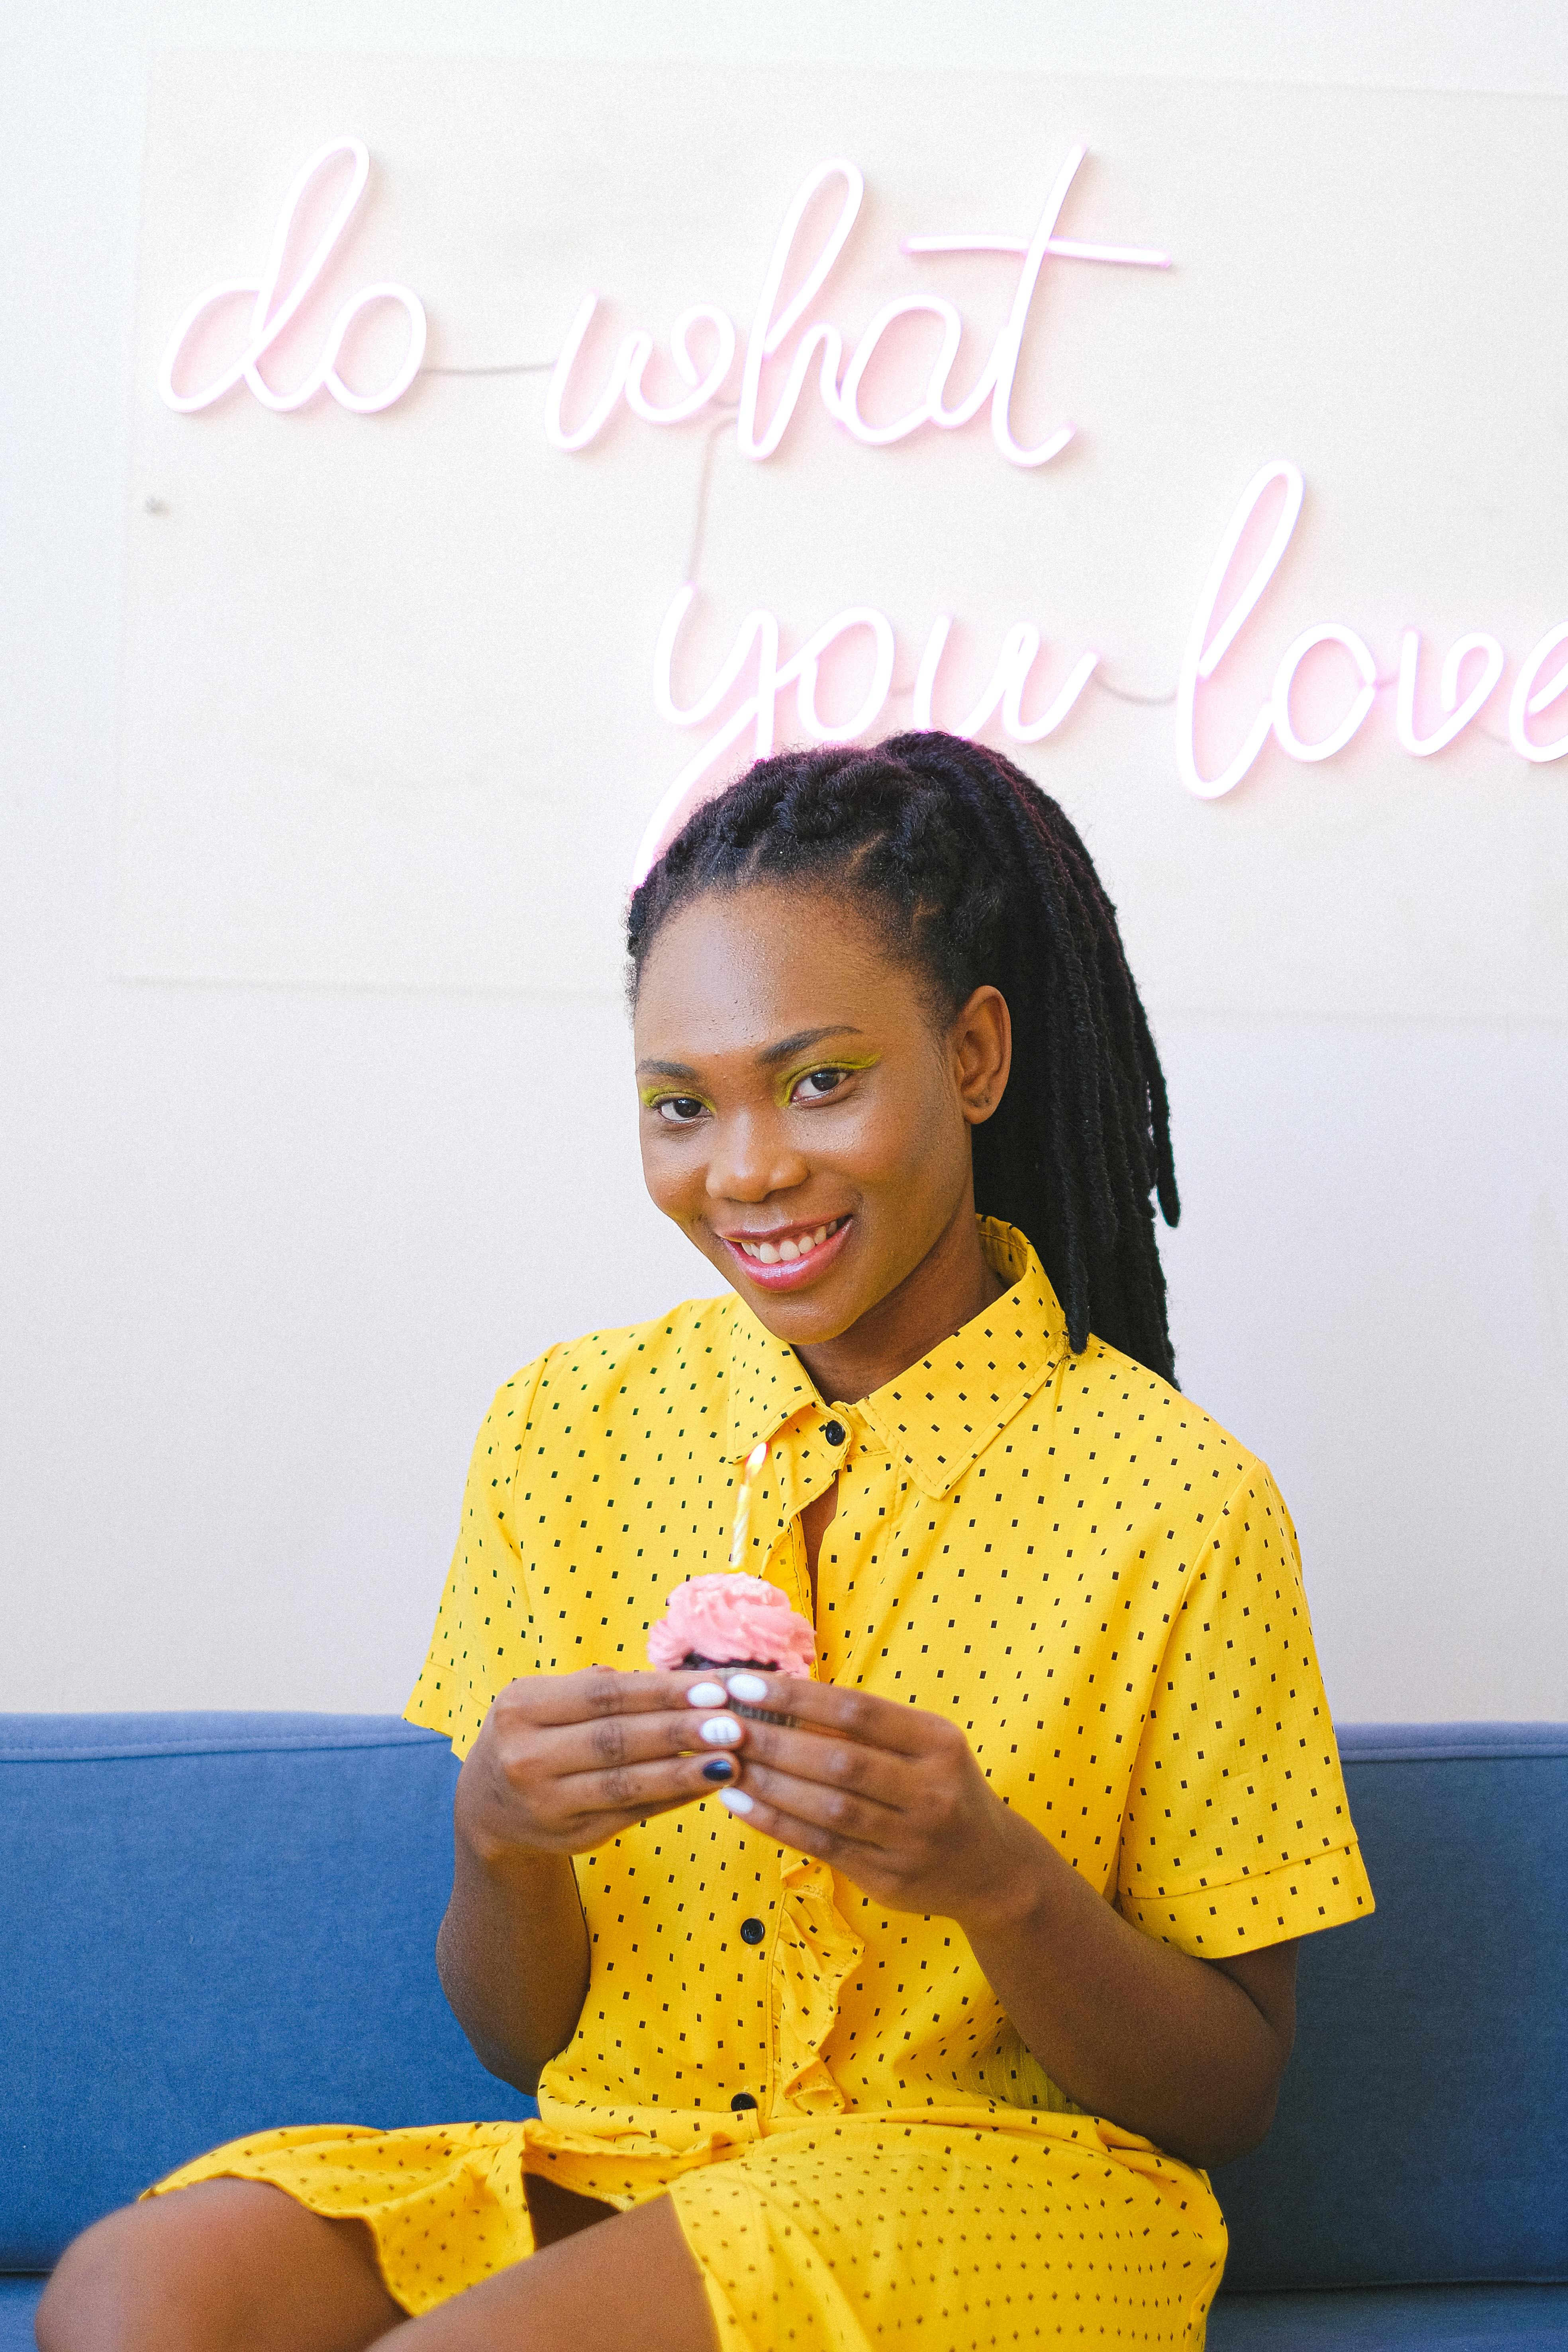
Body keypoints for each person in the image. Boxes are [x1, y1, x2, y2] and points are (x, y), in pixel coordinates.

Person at [40, 733, 1372, 2352]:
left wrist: (997, 1880)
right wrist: (501, 1838)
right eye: (683, 1106)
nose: (747, 1170)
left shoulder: (1178, 1501)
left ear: (972, 1056)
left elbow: (1230, 2098)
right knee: (135, 2297)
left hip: (1002, 2193)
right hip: (632, 2156)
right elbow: (524, 2047)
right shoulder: (564, 1431)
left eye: (821, 1080)